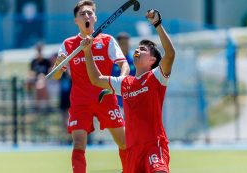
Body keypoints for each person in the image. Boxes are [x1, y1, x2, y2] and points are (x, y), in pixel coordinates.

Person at [83, 9, 175, 173]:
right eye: (138, 48)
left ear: (152, 60)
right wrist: (87, 52)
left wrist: (157, 24)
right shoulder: (125, 83)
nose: (137, 50)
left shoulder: (156, 78)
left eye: (143, 49)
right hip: (132, 151)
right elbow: (96, 79)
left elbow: (170, 54)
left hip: (153, 145)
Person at [51, 0, 130, 172]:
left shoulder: (108, 40)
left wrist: (119, 83)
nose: (86, 16)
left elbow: (124, 65)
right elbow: (57, 75)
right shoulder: (68, 44)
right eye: (82, 14)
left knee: (124, 142)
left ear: (95, 18)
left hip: (106, 97)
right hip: (80, 101)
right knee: (78, 143)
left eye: (89, 13)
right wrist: (58, 65)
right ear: (76, 21)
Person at [112, 32, 136, 108]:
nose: (125, 46)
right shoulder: (112, 60)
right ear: (118, 45)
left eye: (127, 43)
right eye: (122, 44)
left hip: (134, 100)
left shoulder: (135, 57)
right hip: (117, 102)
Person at [26, 41, 52, 112]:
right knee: (36, 82)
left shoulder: (46, 61)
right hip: (36, 80)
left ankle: (39, 106)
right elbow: (31, 72)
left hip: (45, 79)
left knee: (41, 79)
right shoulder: (34, 61)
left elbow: (50, 71)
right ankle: (39, 106)